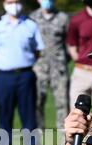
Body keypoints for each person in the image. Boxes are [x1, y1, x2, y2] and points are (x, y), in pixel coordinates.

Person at [0, 0, 45, 145]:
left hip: (25, 75)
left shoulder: (31, 25)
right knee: (4, 115)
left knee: (29, 115)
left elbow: (37, 50)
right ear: (4, 3)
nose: (14, 5)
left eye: (17, 1)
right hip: (4, 76)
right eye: (11, 1)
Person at [30, 0, 69, 130]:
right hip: (38, 68)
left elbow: (69, 43)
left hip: (59, 69)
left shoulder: (63, 18)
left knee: (62, 103)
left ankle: (64, 141)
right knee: (36, 103)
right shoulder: (32, 18)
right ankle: (37, 139)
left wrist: (62, 60)